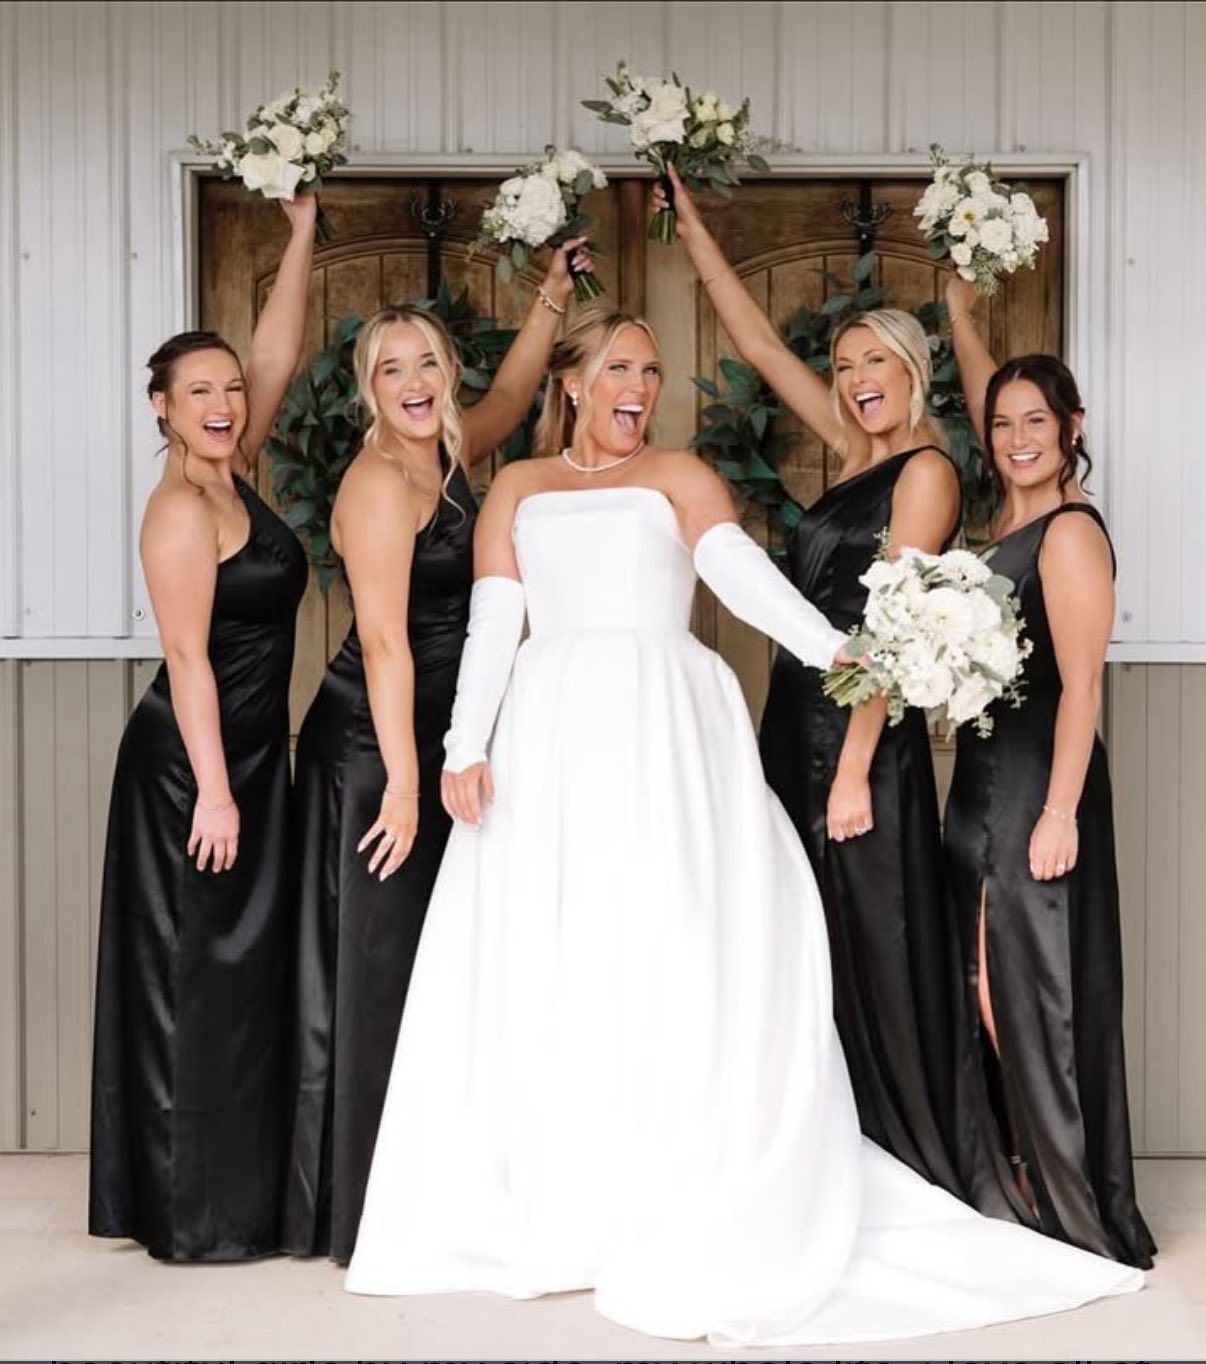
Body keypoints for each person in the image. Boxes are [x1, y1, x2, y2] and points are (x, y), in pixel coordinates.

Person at [344, 310, 1142, 1344]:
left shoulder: (678, 472)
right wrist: (461, 746)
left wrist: (846, 657)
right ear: (575, 383)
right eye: (621, 366)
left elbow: (748, 585)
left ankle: (670, 1170)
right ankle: (559, 1185)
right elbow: (496, 619)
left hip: (663, 721)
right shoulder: (516, 485)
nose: (641, 382)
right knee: (553, 946)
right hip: (546, 728)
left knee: (668, 941)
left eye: (653, 366)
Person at [653, 166, 965, 1194]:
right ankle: (817, 1143)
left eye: (878, 357)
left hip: (857, 740)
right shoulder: (845, 448)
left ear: (916, 368)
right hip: (793, 715)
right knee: (800, 934)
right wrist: (690, 224)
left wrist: (855, 767)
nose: (858, 374)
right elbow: (753, 342)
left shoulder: (923, 472)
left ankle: (902, 1148)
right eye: (845, 362)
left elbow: (890, 626)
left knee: (873, 939)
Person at [280, 245, 593, 1263]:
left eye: (425, 365)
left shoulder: (451, 449)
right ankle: (357, 1203)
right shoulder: (379, 481)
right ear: (369, 390)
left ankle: (424, 1177)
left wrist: (551, 296)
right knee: (372, 967)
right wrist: (405, 785)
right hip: (375, 745)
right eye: (389, 370)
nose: (412, 385)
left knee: (433, 961)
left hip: (433, 734)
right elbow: (379, 641)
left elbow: (511, 392)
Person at [89, 196, 315, 1260]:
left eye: (231, 389)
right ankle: (193, 1211)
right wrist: (217, 790)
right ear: (162, 408)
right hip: (193, 772)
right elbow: (187, 659)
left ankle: (245, 1193)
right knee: (196, 982)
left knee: (244, 983)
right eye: (201, 392)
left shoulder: (235, 465)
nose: (225, 402)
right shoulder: (180, 509)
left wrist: (302, 231)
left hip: (255, 762)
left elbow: (273, 346)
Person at [943, 276, 1156, 1267]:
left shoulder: (1068, 532)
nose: (1017, 435)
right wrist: (961, 316)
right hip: (984, 777)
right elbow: (1000, 394)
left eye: (1039, 419)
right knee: (987, 969)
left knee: (1024, 981)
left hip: (1036, 780)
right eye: (1002, 422)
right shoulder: (1010, 516)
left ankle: (1052, 1182)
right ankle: (1018, 1165)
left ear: (1073, 425)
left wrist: (1061, 808)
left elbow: (1081, 686)